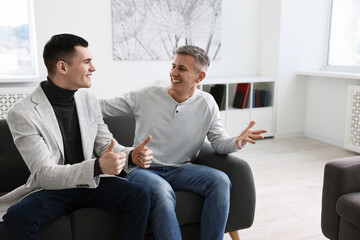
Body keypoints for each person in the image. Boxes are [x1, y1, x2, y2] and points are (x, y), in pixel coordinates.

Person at [99, 45, 267, 240]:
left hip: (181, 169)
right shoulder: (147, 95)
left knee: (220, 180)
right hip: (142, 169)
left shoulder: (207, 103)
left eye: (182, 69)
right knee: (162, 192)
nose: (173, 73)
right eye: (173, 66)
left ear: (200, 77)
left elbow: (219, 142)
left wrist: (236, 142)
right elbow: (103, 107)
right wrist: (69, 98)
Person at [0, 33, 153, 240]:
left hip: (92, 183)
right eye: (87, 62)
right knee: (18, 217)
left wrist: (131, 155)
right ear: (63, 67)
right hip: (53, 188)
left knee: (139, 194)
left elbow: (105, 146)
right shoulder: (22, 112)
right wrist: (98, 166)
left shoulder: (88, 99)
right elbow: (44, 173)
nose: (93, 68)